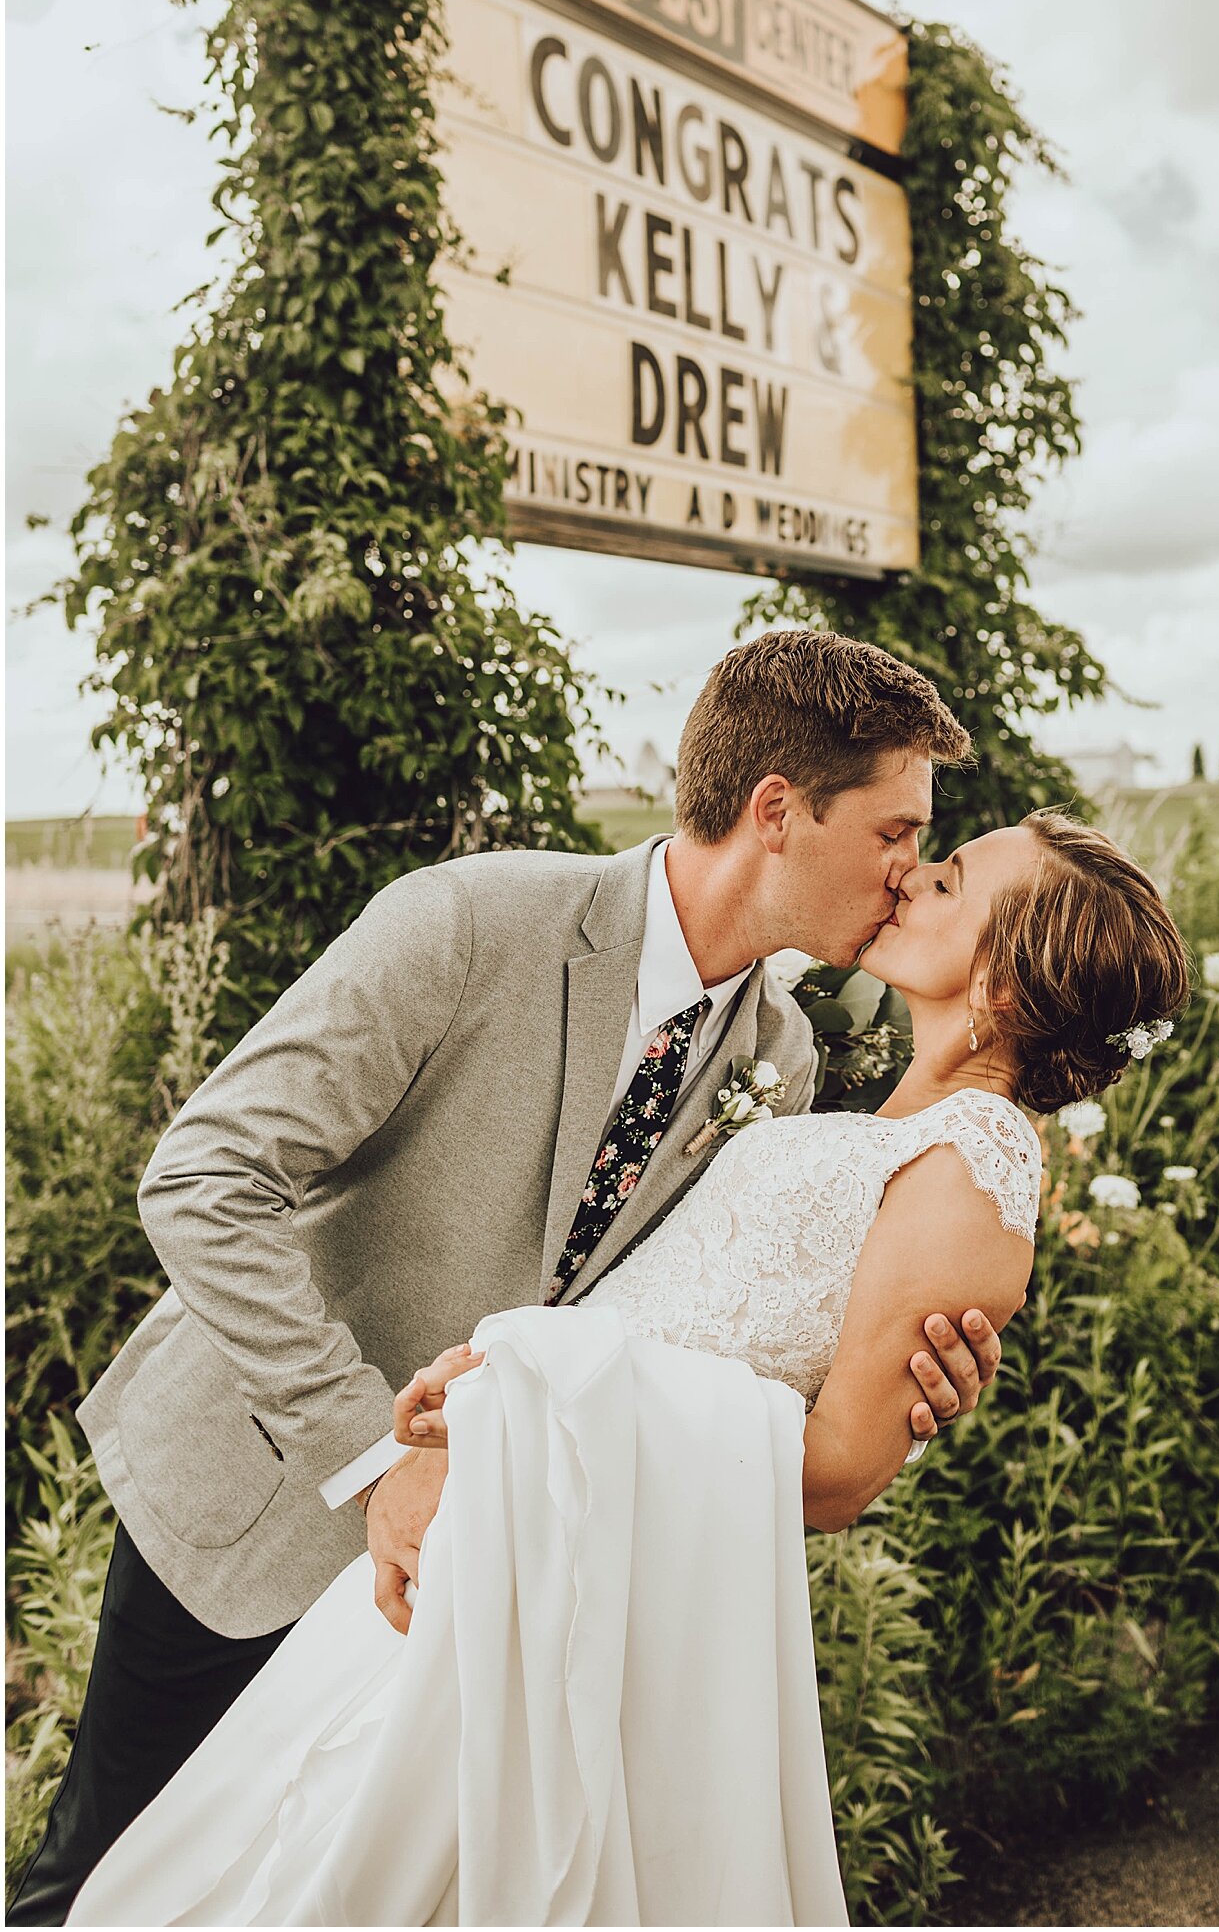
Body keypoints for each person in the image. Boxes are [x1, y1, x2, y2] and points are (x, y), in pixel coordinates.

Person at [12, 630, 1017, 1927]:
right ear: (778, 811)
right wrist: (375, 1459)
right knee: (109, 1886)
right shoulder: (472, 919)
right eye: (896, 828)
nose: (908, 872)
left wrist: (893, 1385)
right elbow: (202, 1178)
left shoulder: (781, 1052)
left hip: (468, 1561)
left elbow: (672, 1333)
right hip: (258, 1497)